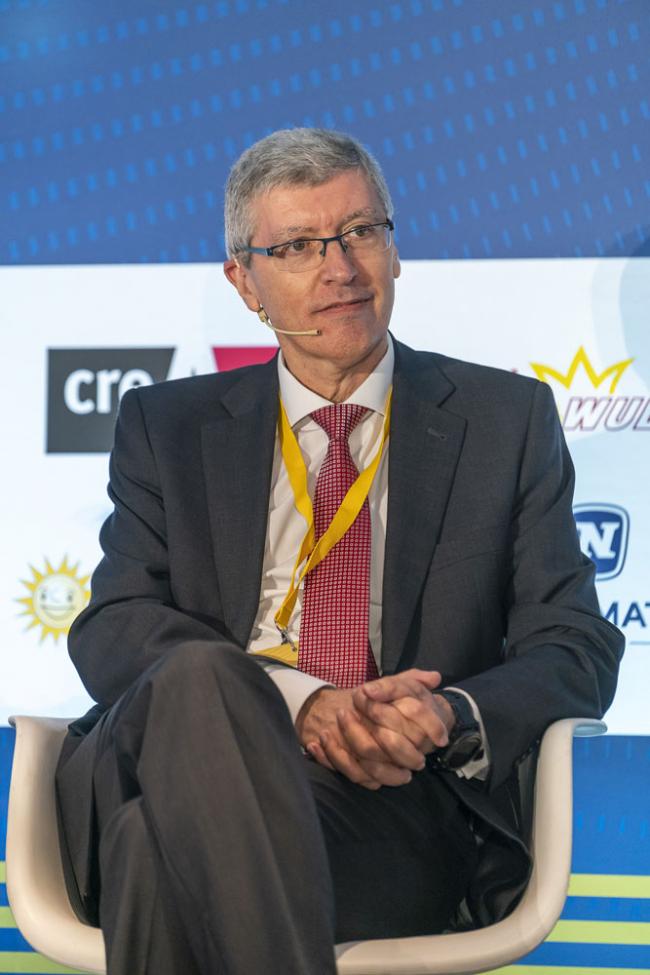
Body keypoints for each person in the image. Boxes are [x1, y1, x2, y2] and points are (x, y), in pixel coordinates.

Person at [55, 128, 623, 975]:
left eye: (361, 232)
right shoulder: (166, 426)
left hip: (388, 802)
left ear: (395, 250)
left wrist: (446, 715)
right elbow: (113, 625)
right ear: (244, 281)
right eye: (298, 246)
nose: (341, 268)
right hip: (179, 753)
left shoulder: (504, 420)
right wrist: (301, 703)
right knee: (203, 676)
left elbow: (575, 644)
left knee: (150, 851)